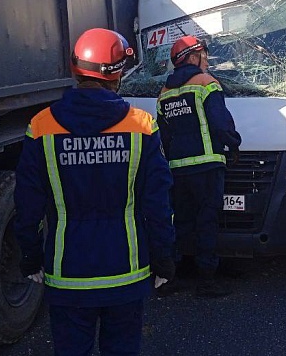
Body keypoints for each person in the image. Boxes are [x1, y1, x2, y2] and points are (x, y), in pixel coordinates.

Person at [14, 28, 176, 355]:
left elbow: (27, 205)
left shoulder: (41, 126)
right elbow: (157, 205)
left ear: (76, 69)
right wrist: (163, 261)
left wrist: (31, 258)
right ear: (117, 73)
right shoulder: (141, 125)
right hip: (126, 273)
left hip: (67, 274)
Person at [156, 35, 241, 298]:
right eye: (203, 54)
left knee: (179, 223)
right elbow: (220, 122)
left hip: (177, 168)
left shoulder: (165, 93)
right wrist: (233, 144)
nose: (206, 59)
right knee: (206, 223)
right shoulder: (207, 83)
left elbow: (164, 135)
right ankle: (206, 283)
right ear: (193, 57)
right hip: (207, 166)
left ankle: (171, 278)